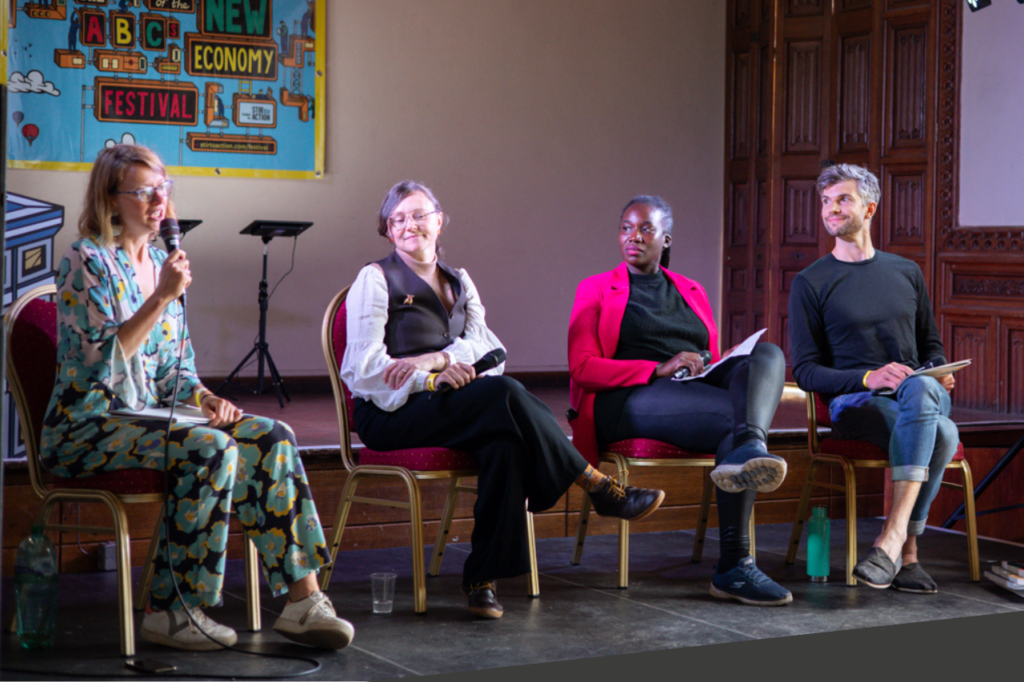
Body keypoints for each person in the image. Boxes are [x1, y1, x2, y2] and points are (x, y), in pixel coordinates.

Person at [40, 145, 353, 651]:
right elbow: (100, 364)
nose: (158, 200)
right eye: (143, 191)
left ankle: (303, 601)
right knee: (208, 447)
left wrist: (204, 397)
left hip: (151, 417)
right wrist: (161, 296)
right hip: (87, 425)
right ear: (110, 199)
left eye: (163, 188)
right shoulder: (85, 260)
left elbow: (176, 367)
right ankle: (174, 610)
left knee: (271, 435)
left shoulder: (166, 259)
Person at [340, 180, 666, 619]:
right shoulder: (375, 279)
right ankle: (594, 482)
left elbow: (491, 351)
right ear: (387, 230)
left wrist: (438, 359)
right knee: (505, 393)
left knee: (504, 442)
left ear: (439, 221)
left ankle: (481, 579)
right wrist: (430, 381)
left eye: (418, 215)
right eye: (397, 219)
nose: (408, 225)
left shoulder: (461, 281)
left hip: (451, 401)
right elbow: (362, 369)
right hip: (390, 411)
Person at [568, 195, 792, 606]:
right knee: (736, 424)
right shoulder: (597, 288)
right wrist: (658, 367)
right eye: (626, 228)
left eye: (645, 229)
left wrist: (704, 361)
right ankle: (735, 565)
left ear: (665, 238)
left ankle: (748, 454)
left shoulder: (691, 289)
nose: (633, 237)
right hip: (628, 398)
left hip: (689, 390)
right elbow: (582, 368)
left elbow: (708, 349)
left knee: (767, 354)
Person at [788, 163, 958, 594]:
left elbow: (930, 346)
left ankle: (891, 538)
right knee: (943, 434)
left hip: (918, 394)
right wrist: (869, 377)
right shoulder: (811, 283)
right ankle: (908, 551)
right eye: (825, 201)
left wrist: (939, 372)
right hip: (857, 403)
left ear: (870, 208)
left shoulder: (906, 272)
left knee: (922, 387)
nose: (831, 209)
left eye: (842, 199)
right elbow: (805, 372)